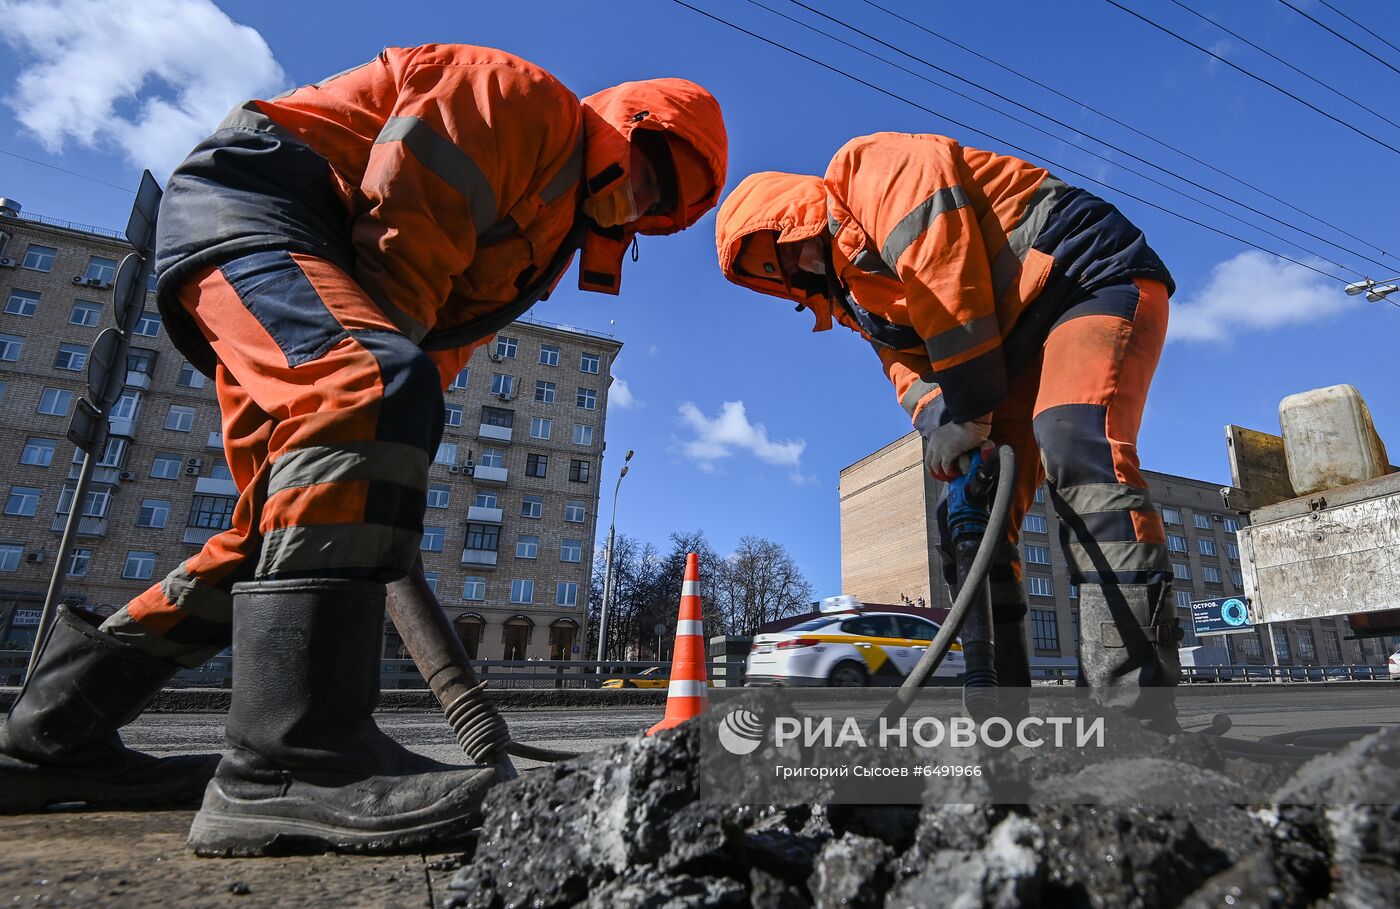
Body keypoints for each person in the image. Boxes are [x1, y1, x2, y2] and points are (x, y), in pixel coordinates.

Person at [0, 42, 727, 855]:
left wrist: (387, 454)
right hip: (260, 205)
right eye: (648, 164)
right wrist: (381, 402)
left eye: (660, 201)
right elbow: (405, 217)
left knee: (276, 529)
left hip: (310, 260)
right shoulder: (524, 102)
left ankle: (47, 736)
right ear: (625, 126)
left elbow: (441, 339)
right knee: (370, 397)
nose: (640, 197)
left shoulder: (555, 227)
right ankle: (291, 761)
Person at [714, 132, 1179, 729]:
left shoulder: (864, 170)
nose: (801, 265)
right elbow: (905, 369)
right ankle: (1003, 721)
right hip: (1003, 350)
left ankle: (1135, 717)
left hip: (1081, 276)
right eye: (783, 271)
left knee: (1074, 438)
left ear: (795, 216)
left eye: (790, 245)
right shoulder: (858, 297)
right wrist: (944, 424)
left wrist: (970, 409)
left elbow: (943, 260)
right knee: (970, 513)